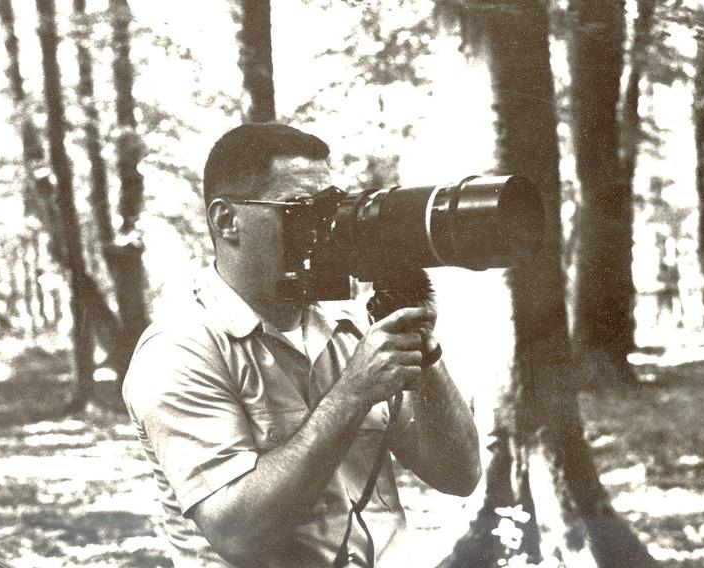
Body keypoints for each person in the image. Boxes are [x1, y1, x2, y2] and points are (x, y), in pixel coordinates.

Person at [123, 123, 481, 567]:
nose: (323, 230)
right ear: (227, 220)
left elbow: (459, 474)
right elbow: (233, 532)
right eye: (299, 211)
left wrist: (422, 346)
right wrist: (351, 394)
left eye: (328, 209)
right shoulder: (180, 349)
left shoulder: (350, 326)